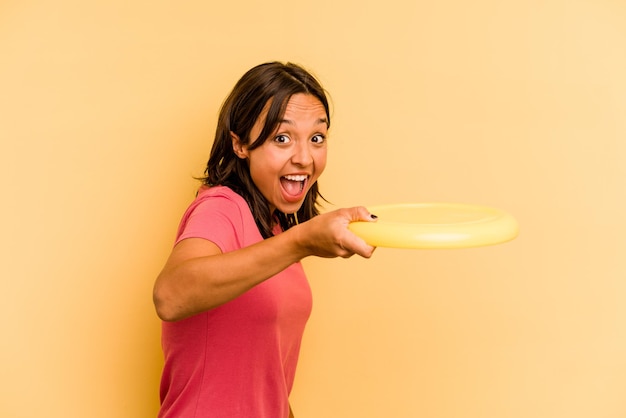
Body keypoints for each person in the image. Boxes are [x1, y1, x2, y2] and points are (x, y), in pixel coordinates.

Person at [153, 61, 377, 418]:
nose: (304, 158)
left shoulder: (274, 227)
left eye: (316, 138)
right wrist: (302, 241)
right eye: (282, 138)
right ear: (240, 144)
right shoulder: (220, 206)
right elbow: (170, 296)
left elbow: (262, 376)